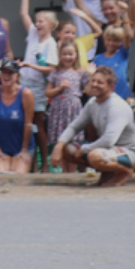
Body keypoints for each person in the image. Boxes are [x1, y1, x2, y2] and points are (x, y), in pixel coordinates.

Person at [51, 66, 135, 187]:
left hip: (127, 151)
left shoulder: (117, 106)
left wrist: (84, 150)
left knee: (94, 156)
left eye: (100, 83)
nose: (94, 85)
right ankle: (108, 171)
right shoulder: (92, 102)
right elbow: (74, 126)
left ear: (111, 86)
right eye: (93, 81)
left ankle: (125, 171)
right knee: (67, 149)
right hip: (107, 149)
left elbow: (108, 140)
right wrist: (58, 146)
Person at [12, 0, 58, 150]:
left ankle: (44, 161)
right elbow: (23, 14)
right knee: (24, 120)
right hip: (24, 82)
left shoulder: (51, 44)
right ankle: (26, 155)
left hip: (38, 86)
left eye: (41, 21)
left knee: (38, 122)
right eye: (37, 21)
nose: (37, 24)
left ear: (51, 25)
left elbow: (51, 69)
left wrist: (29, 65)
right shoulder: (33, 34)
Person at [43, 41, 88, 172]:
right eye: (65, 54)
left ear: (76, 55)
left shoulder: (80, 73)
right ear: (60, 55)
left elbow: (89, 90)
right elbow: (48, 92)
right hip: (59, 110)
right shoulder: (55, 73)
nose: (67, 57)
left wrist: (91, 74)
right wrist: (59, 88)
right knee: (60, 142)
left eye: (70, 54)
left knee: (73, 143)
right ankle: (63, 172)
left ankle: (72, 172)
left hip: (74, 110)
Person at [0, 59, 35, 173]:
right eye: (4, 72)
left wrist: (24, 150)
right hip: (2, 148)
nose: (6, 76)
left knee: (19, 178)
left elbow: (28, 123)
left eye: (10, 73)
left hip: (21, 147)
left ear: (17, 76)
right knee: (0, 176)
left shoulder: (26, 93)